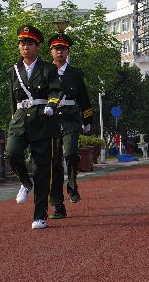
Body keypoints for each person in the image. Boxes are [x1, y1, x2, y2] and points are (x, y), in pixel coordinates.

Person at [6, 25, 62, 230]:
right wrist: (13, 118)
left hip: (42, 120)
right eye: (22, 43)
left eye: (29, 43)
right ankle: (24, 182)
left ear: (37, 46)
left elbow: (56, 91)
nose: (25, 47)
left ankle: (40, 215)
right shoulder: (13, 71)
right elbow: (12, 99)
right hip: (20, 120)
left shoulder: (48, 69)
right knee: (12, 152)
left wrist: (51, 105)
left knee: (42, 170)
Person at [47, 33, 94, 220]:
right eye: (56, 49)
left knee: (71, 153)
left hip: (71, 119)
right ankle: (58, 205)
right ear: (51, 51)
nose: (59, 52)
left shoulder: (75, 73)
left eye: (63, 49)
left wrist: (87, 120)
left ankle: (72, 186)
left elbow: (83, 97)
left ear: (67, 52)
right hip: (50, 120)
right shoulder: (45, 72)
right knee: (54, 163)